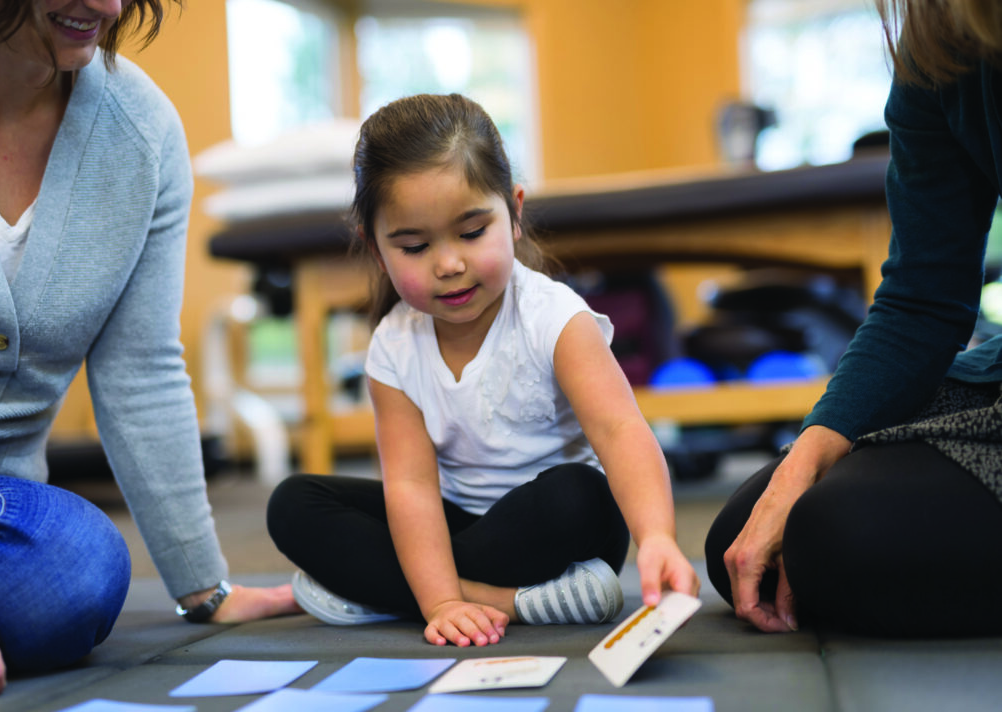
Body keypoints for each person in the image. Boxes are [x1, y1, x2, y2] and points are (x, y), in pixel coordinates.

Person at [0, 0, 301, 701]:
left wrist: (204, 584)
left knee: (76, 570)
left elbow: (142, 370)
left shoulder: (142, 131)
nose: (106, 5)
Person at [267, 93, 699, 649]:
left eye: (472, 233)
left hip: (554, 529)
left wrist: (657, 536)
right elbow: (412, 486)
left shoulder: (555, 317)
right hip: (459, 529)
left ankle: (376, 591)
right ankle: (500, 600)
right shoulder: (392, 346)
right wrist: (440, 602)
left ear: (514, 213)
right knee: (293, 504)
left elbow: (621, 432)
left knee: (580, 494)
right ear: (376, 251)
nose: (449, 264)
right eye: (415, 246)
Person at [705, 0, 1002, 637]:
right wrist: (806, 458)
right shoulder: (939, 41)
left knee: (839, 539)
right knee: (744, 537)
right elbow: (923, 298)